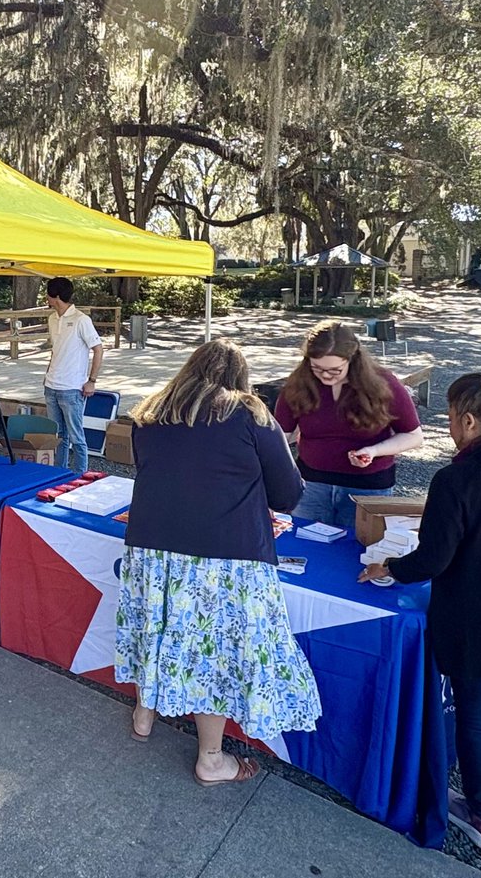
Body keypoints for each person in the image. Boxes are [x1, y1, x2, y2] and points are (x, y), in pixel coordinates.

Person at [360, 370, 481, 864]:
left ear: (468, 420)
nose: (448, 427)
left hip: (477, 619)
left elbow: (433, 559)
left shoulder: (457, 477)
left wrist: (389, 566)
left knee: (479, 718)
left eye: (448, 417)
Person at [117, 338, 320, 785]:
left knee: (157, 627)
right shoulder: (249, 414)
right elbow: (288, 495)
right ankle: (210, 757)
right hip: (224, 557)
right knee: (212, 654)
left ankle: (143, 717)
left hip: (150, 548)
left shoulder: (149, 413)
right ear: (239, 379)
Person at [274, 320, 423, 531]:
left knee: (358, 551)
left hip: (368, 488)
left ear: (352, 360)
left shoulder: (384, 383)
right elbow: (280, 435)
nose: (325, 375)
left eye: (335, 370)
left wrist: (374, 451)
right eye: (317, 368)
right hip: (311, 483)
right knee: (307, 545)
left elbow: (413, 435)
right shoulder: (298, 384)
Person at [43, 277, 103, 473]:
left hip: (72, 388)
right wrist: (47, 374)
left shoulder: (81, 320)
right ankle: (59, 474)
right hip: (51, 386)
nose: (46, 297)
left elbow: (98, 349)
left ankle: (81, 477)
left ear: (56, 296)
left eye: (48, 294)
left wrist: (91, 381)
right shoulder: (52, 318)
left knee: (77, 437)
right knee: (59, 435)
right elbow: (56, 349)